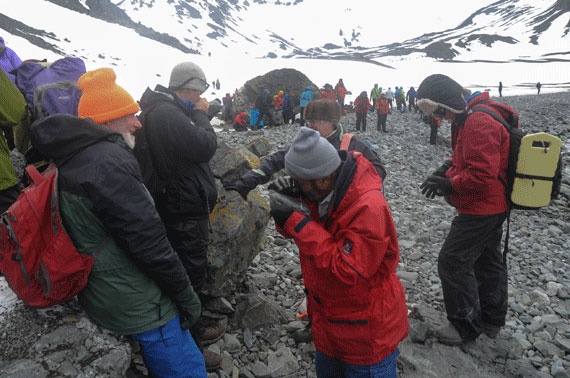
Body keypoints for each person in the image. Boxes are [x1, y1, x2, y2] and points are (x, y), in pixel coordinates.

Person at [28, 67, 207, 377]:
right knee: (186, 364)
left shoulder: (75, 155)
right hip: (132, 299)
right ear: (108, 121)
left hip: (99, 288)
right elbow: (150, 244)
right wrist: (187, 298)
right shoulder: (110, 163)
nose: (138, 123)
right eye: (130, 116)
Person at [267, 127, 408, 377]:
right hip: (328, 323)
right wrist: (289, 205)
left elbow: (347, 271)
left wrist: (296, 220)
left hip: (366, 334)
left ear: (322, 179)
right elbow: (301, 233)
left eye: (299, 181)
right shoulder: (326, 191)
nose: (296, 184)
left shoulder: (368, 207)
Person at [133, 61, 224, 371]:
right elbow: (205, 146)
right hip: (182, 212)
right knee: (189, 277)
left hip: (179, 206)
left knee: (188, 274)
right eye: (198, 92)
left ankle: (196, 332)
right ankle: (193, 349)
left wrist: (196, 115)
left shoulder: (164, 111)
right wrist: (200, 114)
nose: (200, 98)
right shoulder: (167, 114)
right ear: (188, 88)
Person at [416, 73, 516, 345]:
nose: (440, 117)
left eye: (438, 110)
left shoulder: (477, 121)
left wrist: (449, 185)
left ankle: (464, 326)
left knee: (453, 259)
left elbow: (482, 174)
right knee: (487, 259)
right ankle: (492, 319)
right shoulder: (472, 115)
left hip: (482, 206)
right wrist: (445, 168)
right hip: (494, 204)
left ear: (446, 102)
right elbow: (464, 153)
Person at [224, 99, 386, 201]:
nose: (309, 126)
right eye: (308, 121)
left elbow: (379, 171)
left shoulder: (352, 143)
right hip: (318, 209)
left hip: (349, 210)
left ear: (331, 121)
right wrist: (246, 182)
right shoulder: (308, 141)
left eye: (314, 121)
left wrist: (346, 184)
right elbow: (276, 161)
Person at [0, 36, 22, 151]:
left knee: (10, 126)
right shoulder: (8, 52)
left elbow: (21, 69)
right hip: (9, 95)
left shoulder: (9, 53)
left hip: (12, 94)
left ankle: (13, 149)